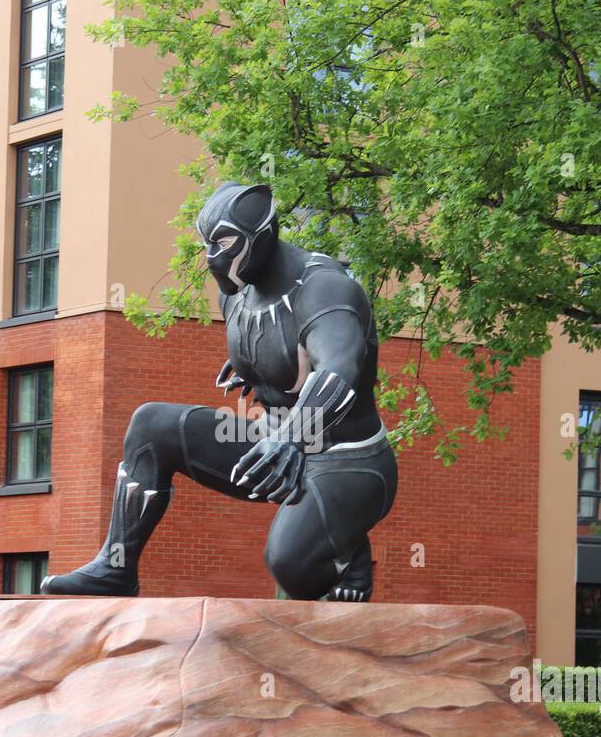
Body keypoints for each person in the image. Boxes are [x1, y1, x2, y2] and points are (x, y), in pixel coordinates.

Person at [40, 182, 397, 601]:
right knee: (152, 424)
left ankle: (348, 556)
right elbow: (279, 347)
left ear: (263, 237)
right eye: (209, 244)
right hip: (272, 443)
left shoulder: (325, 288)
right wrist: (256, 367)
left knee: (290, 565)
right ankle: (115, 568)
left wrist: (293, 437)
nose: (214, 258)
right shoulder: (238, 293)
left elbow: (340, 368)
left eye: (227, 243)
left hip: (347, 459)